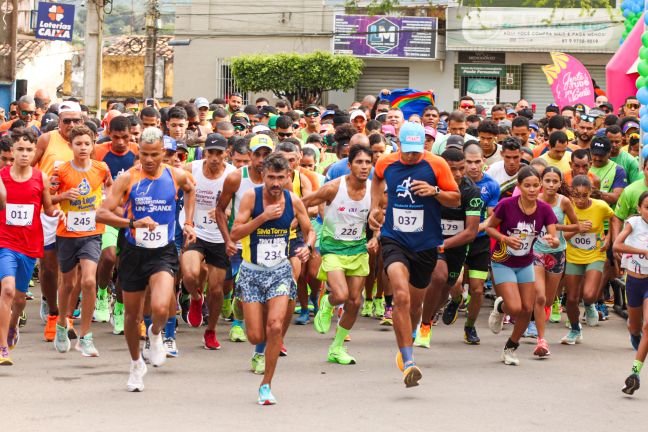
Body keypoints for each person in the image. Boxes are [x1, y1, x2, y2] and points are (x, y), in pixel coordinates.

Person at [96, 127, 196, 392]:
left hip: (163, 251)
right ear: (138, 151)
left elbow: (190, 189)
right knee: (131, 314)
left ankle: (155, 335)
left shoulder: (175, 175)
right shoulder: (128, 179)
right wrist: (132, 222)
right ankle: (135, 363)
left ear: (164, 153)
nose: (149, 160)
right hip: (133, 252)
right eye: (145, 154)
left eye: (155, 155)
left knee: (163, 307)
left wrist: (188, 221)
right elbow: (102, 214)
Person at [369, 122, 459, 387]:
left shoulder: (437, 164)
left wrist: (435, 192)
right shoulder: (386, 162)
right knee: (400, 294)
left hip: (426, 243)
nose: (410, 156)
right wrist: (375, 207)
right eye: (406, 151)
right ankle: (408, 362)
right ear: (398, 144)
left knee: (415, 305)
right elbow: (376, 178)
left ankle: (405, 342)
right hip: (394, 238)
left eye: (415, 151)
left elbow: (455, 198)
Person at [230, 153, 314, 405]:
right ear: (263, 176)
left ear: (288, 176)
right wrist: (263, 217)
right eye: (271, 177)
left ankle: (266, 384)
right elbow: (235, 233)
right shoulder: (251, 197)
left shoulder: (294, 200)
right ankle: (240, 306)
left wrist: (308, 246)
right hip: (252, 272)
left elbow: (309, 230)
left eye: (280, 177)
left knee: (275, 327)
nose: (276, 183)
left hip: (279, 270)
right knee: (256, 336)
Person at [302, 145, 376, 364]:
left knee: (355, 301)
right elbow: (303, 204)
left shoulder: (374, 190)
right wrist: (305, 230)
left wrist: (376, 237)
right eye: (359, 162)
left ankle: (337, 348)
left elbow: (381, 216)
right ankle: (327, 302)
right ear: (349, 164)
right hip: (333, 248)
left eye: (367, 162)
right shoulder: (334, 187)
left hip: (358, 249)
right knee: (341, 295)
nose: (364, 167)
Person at [485, 166, 559, 365]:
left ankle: (510, 348)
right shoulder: (507, 205)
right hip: (503, 261)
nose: (533, 189)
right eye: (528, 185)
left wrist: (553, 240)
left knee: (528, 308)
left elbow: (554, 235)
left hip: (525, 262)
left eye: (536, 185)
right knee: (516, 308)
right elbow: (490, 228)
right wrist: (505, 239)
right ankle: (501, 306)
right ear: (519, 186)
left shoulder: (544, 209)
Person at [0, 128, 62, 365]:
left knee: (19, 298)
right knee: (6, 289)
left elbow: (48, 209)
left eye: (29, 150)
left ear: (35, 151)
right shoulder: (2, 177)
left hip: (28, 245)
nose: (24, 154)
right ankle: (3, 347)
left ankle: (14, 323)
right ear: (12, 151)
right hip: (5, 242)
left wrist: (60, 210)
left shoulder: (40, 178)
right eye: (20, 150)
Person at [50, 125, 112, 356]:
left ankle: (86, 336)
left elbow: (111, 192)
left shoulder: (101, 168)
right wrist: (63, 197)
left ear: (93, 144)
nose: (83, 148)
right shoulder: (62, 170)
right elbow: (49, 199)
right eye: (79, 144)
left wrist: (104, 206)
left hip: (92, 233)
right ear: (70, 146)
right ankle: (60, 325)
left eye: (87, 143)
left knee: (88, 281)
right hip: (67, 233)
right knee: (67, 284)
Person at [414, 148, 481, 348]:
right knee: (438, 276)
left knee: (444, 289)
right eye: (453, 169)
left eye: (462, 168)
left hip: (457, 246)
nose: (459, 173)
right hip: (431, 242)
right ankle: (424, 326)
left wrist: (445, 244)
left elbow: (471, 232)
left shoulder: (471, 192)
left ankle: (433, 311)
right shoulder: (431, 184)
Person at [32, 101, 83, 342]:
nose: (72, 125)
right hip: (49, 210)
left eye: (76, 121)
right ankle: (52, 309)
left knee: (74, 270)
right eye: (67, 121)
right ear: (58, 121)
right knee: (50, 267)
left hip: (75, 212)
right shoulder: (46, 140)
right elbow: (29, 168)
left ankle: (65, 317)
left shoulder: (85, 143)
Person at [182, 133, 236, 351]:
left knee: (216, 290)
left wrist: (227, 211)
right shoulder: (191, 168)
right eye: (210, 153)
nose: (214, 157)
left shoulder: (232, 175)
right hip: (195, 230)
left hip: (219, 235)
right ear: (204, 153)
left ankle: (211, 330)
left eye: (219, 153)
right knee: (190, 274)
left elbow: (240, 202)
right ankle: (195, 297)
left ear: (226, 154)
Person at [530, 167, 584, 355]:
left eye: (555, 181)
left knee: (549, 298)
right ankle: (541, 339)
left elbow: (576, 225)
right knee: (540, 296)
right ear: (541, 182)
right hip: (535, 252)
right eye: (547, 181)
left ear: (561, 183)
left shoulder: (564, 202)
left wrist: (557, 230)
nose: (551, 185)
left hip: (557, 253)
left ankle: (535, 319)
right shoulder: (532, 199)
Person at [93, 116, 139, 332]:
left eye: (125, 137)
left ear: (131, 135)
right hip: (108, 215)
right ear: (108, 134)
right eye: (116, 137)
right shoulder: (99, 151)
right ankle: (101, 293)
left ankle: (119, 308)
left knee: (125, 267)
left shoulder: (138, 152)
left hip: (130, 216)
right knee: (109, 256)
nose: (120, 142)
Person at [562, 175, 614, 344]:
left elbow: (613, 218)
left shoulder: (600, 206)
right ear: (571, 192)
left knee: (589, 295)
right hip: (574, 255)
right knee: (571, 298)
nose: (580, 200)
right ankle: (575, 330)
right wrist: (578, 229)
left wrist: (609, 239)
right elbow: (565, 236)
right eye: (577, 195)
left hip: (595, 254)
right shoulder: (567, 206)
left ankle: (590, 305)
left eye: (584, 195)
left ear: (591, 192)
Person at [614, 191, 648, 395]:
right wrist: (642, 252)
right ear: (639, 208)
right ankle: (637, 340)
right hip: (634, 281)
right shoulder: (634, 223)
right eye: (647, 208)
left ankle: (634, 373)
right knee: (635, 328)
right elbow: (617, 245)